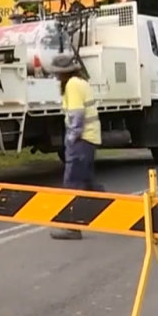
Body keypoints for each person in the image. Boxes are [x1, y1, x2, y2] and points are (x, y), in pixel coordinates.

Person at [50, 55, 102, 240]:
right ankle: (118, 211)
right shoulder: (81, 82)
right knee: (88, 183)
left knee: (72, 182)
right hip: (89, 138)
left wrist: (71, 139)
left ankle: (72, 227)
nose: (55, 75)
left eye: (57, 72)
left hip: (81, 139)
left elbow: (77, 115)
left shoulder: (72, 84)